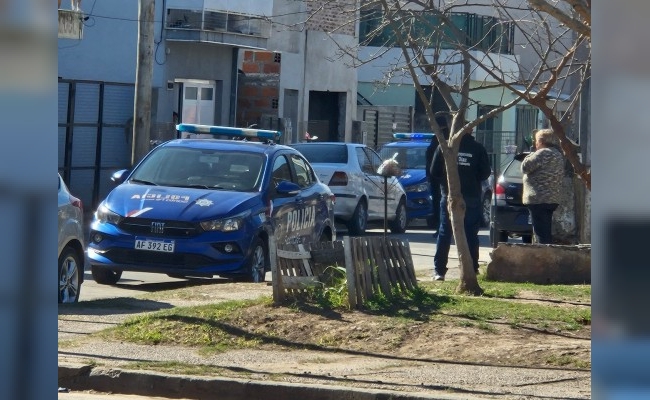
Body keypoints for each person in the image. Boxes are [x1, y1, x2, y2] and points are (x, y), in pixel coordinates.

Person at [430, 131, 491, 281]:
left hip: (449, 195)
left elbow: (434, 171)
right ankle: (472, 268)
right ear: (470, 130)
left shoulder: (445, 147)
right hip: (471, 195)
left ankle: (439, 271)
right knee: (471, 233)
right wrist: (471, 177)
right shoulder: (477, 148)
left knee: (445, 233)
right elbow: (485, 173)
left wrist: (446, 181)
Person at [521, 128, 564, 244]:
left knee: (540, 234)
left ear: (541, 141)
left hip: (538, 198)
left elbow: (525, 167)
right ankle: (546, 254)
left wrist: (530, 154)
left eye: (536, 141)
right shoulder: (558, 154)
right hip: (552, 198)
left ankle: (544, 258)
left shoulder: (542, 153)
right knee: (545, 231)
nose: (535, 144)